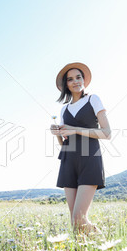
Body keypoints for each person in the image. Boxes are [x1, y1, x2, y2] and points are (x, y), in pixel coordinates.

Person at [50, 62, 111, 237]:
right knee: (74, 221)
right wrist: (57, 134)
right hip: (68, 162)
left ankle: (106, 242)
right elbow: (65, 145)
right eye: (71, 79)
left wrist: (75, 129)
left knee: (79, 217)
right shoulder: (64, 109)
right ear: (66, 85)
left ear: (84, 80)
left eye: (79, 77)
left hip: (89, 158)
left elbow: (107, 133)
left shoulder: (93, 99)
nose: (76, 81)